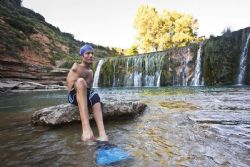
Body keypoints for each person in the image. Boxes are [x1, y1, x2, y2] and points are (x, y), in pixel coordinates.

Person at [66, 44, 108, 142]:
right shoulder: (76, 67)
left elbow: (89, 90)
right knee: (80, 81)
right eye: (87, 53)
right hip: (74, 95)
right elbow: (69, 88)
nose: (91, 55)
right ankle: (86, 130)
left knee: (95, 95)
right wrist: (80, 85)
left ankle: (103, 135)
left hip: (86, 95)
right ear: (81, 56)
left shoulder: (91, 71)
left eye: (92, 53)